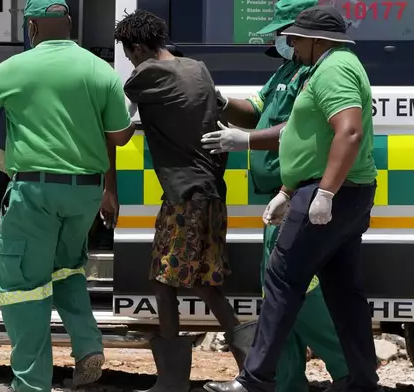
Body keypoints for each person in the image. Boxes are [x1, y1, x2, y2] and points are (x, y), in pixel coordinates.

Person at [202, 5, 382, 392]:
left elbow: (348, 132)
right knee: (343, 291)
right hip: (326, 190)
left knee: (283, 280)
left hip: (330, 192)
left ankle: (254, 379)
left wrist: (324, 193)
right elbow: (307, 136)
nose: (288, 43)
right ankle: (362, 381)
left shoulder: (333, 70)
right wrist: (288, 190)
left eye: (294, 37)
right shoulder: (318, 69)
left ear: (319, 40)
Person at [0, 1, 134, 391]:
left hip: (36, 191)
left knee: (22, 284)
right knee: (66, 267)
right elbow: (120, 136)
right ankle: (87, 343)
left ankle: (31, 383)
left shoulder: (15, 67)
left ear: (32, 27)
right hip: (86, 193)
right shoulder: (98, 69)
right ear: (69, 23)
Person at [113, 9, 245, 392]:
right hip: (210, 192)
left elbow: (124, 105)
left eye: (130, 53)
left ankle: (171, 381)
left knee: (163, 280)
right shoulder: (197, 68)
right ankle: (253, 370)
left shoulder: (146, 76)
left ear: (137, 48)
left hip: (184, 196)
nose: (132, 60)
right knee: (205, 284)